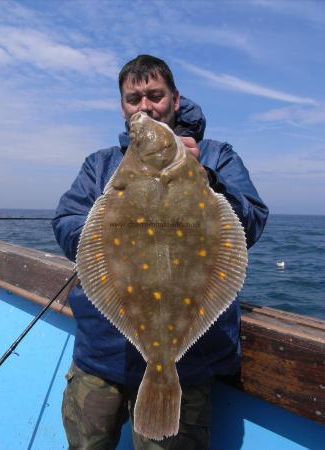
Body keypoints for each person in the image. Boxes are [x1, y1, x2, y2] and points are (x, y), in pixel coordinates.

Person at [52, 54, 268, 450]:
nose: (145, 107)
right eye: (134, 99)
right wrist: (110, 229)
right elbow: (66, 221)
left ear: (175, 99)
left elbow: (251, 222)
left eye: (155, 95)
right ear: (123, 107)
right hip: (102, 356)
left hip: (187, 364)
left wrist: (209, 184)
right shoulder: (100, 165)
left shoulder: (218, 157)